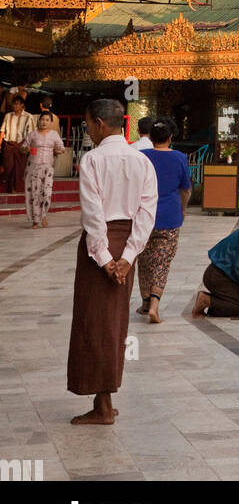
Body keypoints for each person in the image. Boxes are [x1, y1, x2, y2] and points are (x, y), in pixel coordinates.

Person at [67, 98, 158, 425]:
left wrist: (105, 259)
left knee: (95, 323)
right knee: (114, 322)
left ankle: (102, 405)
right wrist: (128, 257)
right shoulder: (142, 162)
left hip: (99, 246)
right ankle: (104, 395)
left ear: (100, 125)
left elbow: (93, 214)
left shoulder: (92, 160)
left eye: (88, 125)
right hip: (126, 243)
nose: (88, 131)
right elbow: (147, 214)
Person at [135, 117, 191, 324]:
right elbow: (185, 189)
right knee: (162, 263)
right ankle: (155, 305)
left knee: (144, 261)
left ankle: (145, 303)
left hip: (144, 217)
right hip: (170, 216)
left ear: (150, 136)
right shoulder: (179, 158)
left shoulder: (141, 157)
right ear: (170, 137)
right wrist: (183, 209)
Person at [21, 110, 65, 227]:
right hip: (33, 166)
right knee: (35, 193)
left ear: (50, 122)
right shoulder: (33, 134)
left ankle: (44, 215)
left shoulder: (54, 135)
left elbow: (62, 148)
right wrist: (26, 149)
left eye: (47, 120)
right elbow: (23, 147)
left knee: (47, 193)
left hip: (48, 167)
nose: (44, 122)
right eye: (42, 119)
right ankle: (36, 220)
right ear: (39, 121)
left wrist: (57, 150)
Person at [0, 93, 37, 193]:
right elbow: (2, 130)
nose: (15, 106)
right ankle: (4, 178)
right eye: (14, 104)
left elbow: (32, 134)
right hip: (9, 144)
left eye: (17, 104)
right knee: (8, 166)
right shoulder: (8, 116)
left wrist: (32, 149)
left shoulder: (29, 117)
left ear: (22, 105)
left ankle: (13, 188)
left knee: (19, 169)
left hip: (22, 145)